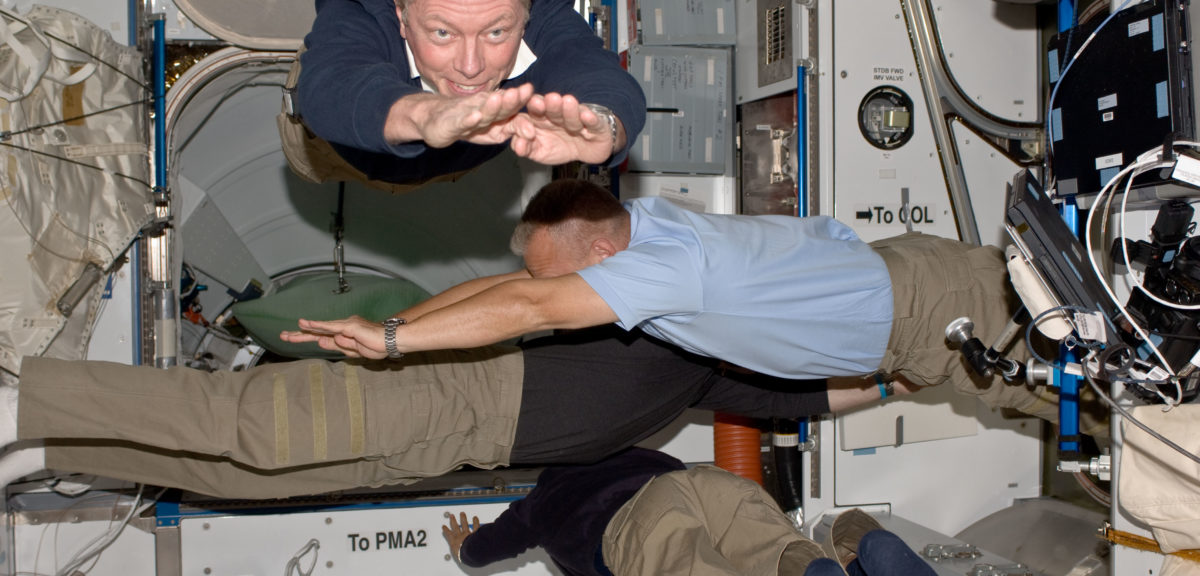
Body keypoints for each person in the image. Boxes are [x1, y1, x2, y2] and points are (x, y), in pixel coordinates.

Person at [281, 178, 1109, 431]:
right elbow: (515, 287)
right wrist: (399, 323)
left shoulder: (664, 270)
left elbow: (531, 307)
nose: (553, 284)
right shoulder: (640, 227)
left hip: (939, 315)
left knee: (1112, 387)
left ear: (602, 255)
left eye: (566, 274)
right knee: (1109, 313)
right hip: (913, 286)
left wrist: (393, 348)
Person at [0, 326, 913, 498]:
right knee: (243, 420)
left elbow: (794, 400)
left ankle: (50, 448)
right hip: (442, 392)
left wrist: (884, 385)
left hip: (445, 452)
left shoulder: (707, 381)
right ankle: (23, 403)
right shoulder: (680, 298)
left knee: (244, 476)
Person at [295, 0, 645, 184]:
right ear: (401, 15)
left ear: (525, 18)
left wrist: (606, 125)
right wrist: (427, 114)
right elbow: (331, 86)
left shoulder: (542, 15)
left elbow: (597, 74)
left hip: (451, 168)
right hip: (334, 152)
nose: (471, 66)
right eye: (443, 33)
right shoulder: (358, 11)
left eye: (495, 33)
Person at [441, 447, 938, 576]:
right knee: (773, 548)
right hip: (700, 482)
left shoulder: (544, 498)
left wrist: (464, 547)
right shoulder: (619, 446)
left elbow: (487, 549)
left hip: (637, 523)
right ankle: (831, 568)